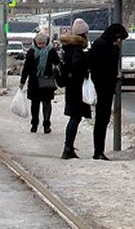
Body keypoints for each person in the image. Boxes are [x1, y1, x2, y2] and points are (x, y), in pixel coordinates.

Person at [86, 23, 129, 161]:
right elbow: (99, 67)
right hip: (102, 87)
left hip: (107, 87)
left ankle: (100, 150)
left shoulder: (109, 46)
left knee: (103, 120)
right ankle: (98, 151)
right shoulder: (102, 46)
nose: (120, 42)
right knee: (101, 120)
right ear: (115, 36)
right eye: (120, 39)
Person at [59, 19, 91, 159]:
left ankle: (69, 147)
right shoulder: (77, 50)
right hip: (76, 89)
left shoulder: (69, 48)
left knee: (75, 117)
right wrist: (86, 66)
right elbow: (78, 66)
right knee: (75, 117)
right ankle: (68, 148)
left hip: (72, 88)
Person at [20, 33, 61, 134]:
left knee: (47, 103)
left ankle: (46, 124)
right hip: (34, 81)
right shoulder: (31, 52)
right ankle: (34, 124)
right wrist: (22, 82)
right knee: (35, 104)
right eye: (39, 43)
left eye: (43, 43)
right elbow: (26, 68)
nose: (41, 45)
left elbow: (57, 62)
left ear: (47, 42)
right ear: (35, 42)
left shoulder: (51, 51)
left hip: (47, 80)